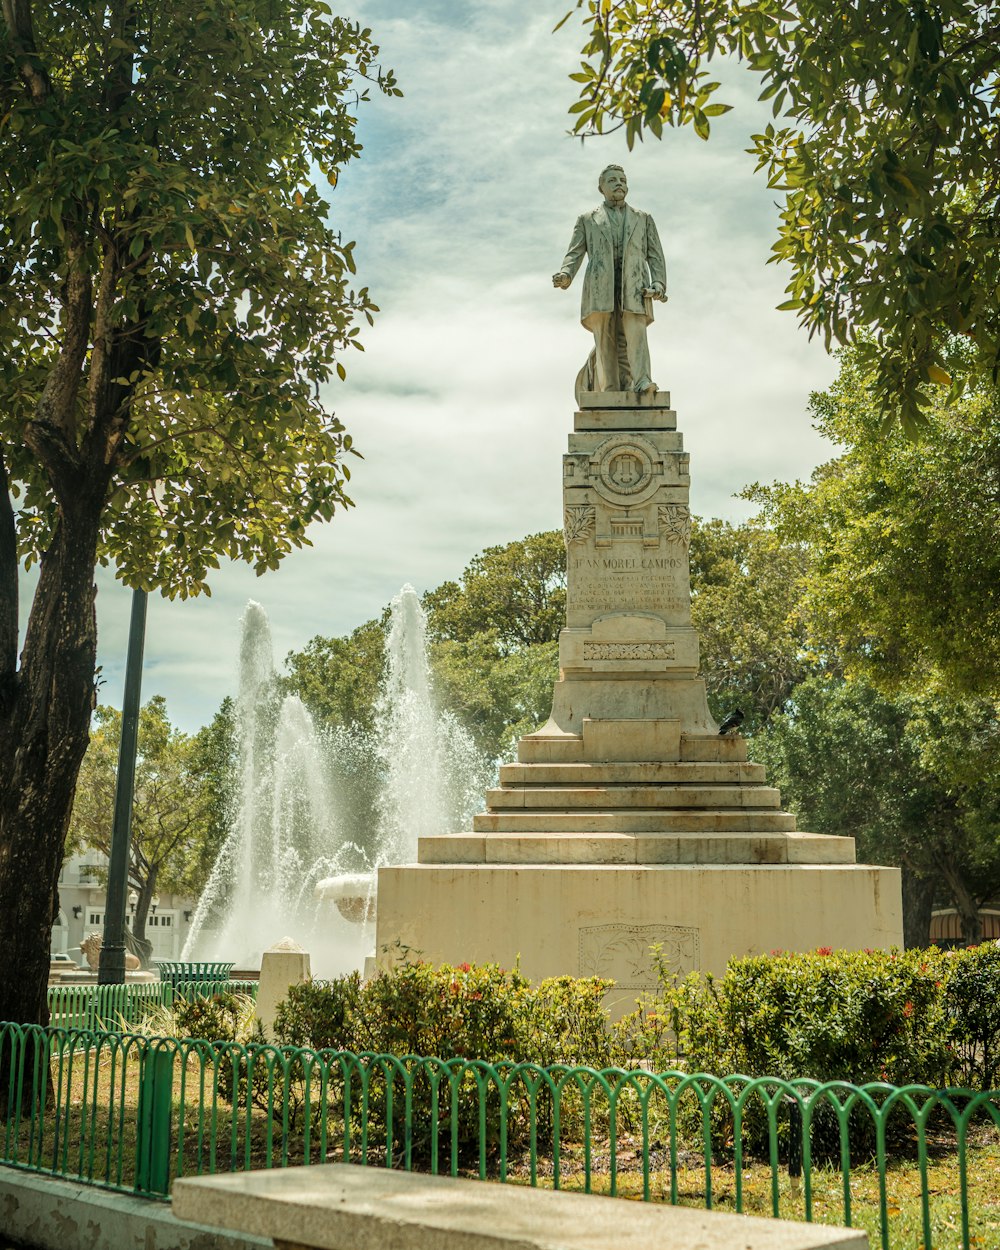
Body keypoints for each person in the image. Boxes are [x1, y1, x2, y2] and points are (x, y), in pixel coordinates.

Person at [553, 164, 666, 396]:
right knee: (605, 342)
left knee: (636, 336)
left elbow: (655, 255)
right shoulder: (587, 219)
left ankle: (643, 381)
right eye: (613, 180)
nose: (619, 184)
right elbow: (575, 252)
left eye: (623, 180)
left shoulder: (643, 219)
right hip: (599, 287)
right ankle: (610, 390)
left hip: (635, 287)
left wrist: (659, 283)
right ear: (601, 188)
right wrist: (566, 274)